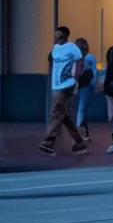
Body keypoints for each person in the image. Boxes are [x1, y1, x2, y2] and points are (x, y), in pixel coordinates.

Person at [41, 26, 88, 155]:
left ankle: (48, 141)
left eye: (59, 36)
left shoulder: (72, 48)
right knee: (63, 114)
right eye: (55, 36)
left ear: (65, 36)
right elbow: (52, 62)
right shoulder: (55, 49)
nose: (56, 39)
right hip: (56, 85)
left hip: (67, 85)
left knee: (56, 112)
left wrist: (73, 79)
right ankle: (79, 142)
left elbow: (79, 64)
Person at [72, 38, 97, 142]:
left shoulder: (87, 58)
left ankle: (80, 131)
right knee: (80, 109)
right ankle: (83, 133)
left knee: (81, 109)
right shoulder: (79, 58)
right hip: (81, 85)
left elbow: (93, 72)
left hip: (84, 85)